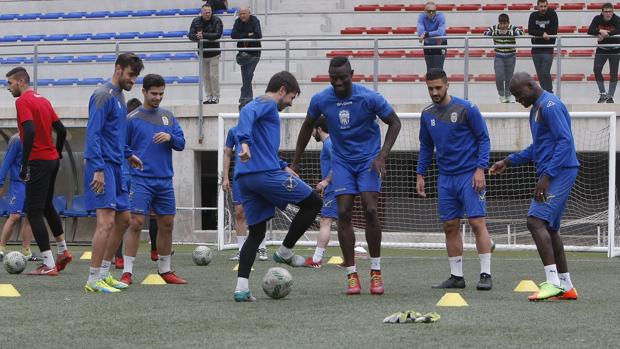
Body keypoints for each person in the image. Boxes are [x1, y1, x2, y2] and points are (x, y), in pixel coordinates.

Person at [293, 57, 402, 295]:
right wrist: (296, 162)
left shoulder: (369, 97)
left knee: (371, 209)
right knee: (342, 212)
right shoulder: (321, 99)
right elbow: (306, 126)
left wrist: (382, 155)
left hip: (368, 160)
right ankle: (351, 274)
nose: (339, 82)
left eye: (343, 77)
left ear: (352, 74)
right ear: (329, 77)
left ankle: (375, 270)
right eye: (334, 78)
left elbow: (395, 122)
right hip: (341, 162)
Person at [232, 71, 323, 302]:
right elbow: (246, 112)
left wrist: (282, 165)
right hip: (263, 175)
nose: (290, 103)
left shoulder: (264, 109)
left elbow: (264, 148)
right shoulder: (266, 103)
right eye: (291, 97)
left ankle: (241, 288)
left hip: (248, 179)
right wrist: (243, 142)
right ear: (282, 90)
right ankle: (284, 252)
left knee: (258, 232)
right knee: (314, 202)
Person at [490, 72, 579, 301]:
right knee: (549, 229)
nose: (518, 99)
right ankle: (566, 286)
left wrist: (547, 177)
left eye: (519, 94)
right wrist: (508, 161)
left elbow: (565, 141)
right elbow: (537, 148)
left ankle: (551, 283)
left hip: (560, 171)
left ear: (531, 85)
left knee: (534, 221)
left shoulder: (550, 105)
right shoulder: (536, 108)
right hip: (556, 171)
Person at [416, 68, 493, 291]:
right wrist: (421, 173)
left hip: (469, 175)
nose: (434, 92)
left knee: (477, 222)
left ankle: (485, 274)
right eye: (430, 88)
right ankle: (456, 277)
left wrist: (481, 169)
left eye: (438, 87)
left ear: (447, 85)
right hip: (445, 178)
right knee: (450, 225)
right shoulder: (427, 114)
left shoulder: (466, 108)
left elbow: (483, 139)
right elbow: (426, 146)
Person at [83, 53, 144, 293]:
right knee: (106, 222)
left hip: (118, 164)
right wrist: (98, 168)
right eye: (131, 75)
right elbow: (93, 133)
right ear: (118, 69)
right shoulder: (102, 95)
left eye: (136, 77)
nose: (133, 81)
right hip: (103, 165)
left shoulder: (120, 97)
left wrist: (128, 153)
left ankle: (105, 273)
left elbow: (115, 133)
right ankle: (92, 279)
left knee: (123, 219)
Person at [5, 67, 72, 275]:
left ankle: (49, 264)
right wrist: (58, 153)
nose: (8, 88)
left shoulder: (22, 101)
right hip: (51, 160)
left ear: (21, 81)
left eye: (10, 83)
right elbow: (61, 130)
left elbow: (30, 131)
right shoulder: (43, 100)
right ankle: (63, 251)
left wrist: (25, 165)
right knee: (46, 206)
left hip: (38, 162)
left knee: (33, 211)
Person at [120, 74, 186, 285]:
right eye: (154, 93)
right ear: (144, 92)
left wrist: (171, 137)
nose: (158, 97)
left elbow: (182, 143)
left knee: (167, 223)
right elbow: (122, 145)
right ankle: (127, 272)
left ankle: (165, 270)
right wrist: (131, 157)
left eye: (161, 93)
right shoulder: (132, 118)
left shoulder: (168, 117)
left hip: (164, 180)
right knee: (136, 223)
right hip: (140, 179)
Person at [114, 98, 159, 269]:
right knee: (150, 214)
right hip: (137, 176)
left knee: (123, 217)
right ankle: (154, 250)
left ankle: (118, 257)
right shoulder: (133, 126)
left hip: (128, 176)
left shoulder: (124, 127)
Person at [222, 125, 268, 262]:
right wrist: (225, 177)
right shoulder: (233, 131)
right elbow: (228, 154)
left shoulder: (261, 129)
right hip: (240, 177)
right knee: (239, 212)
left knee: (260, 212)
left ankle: (262, 247)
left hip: (259, 175)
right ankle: (242, 250)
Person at [303, 116, 337, 268]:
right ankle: (349, 260)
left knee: (325, 221)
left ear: (318, 129)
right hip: (341, 188)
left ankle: (316, 260)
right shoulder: (331, 143)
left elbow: (337, 163)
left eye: (312, 130)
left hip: (334, 189)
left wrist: (326, 182)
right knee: (344, 224)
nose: (311, 134)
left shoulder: (329, 144)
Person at [0, 134, 38, 262]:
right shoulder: (16, 140)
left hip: (33, 184)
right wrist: (0, 182)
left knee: (30, 216)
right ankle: (1, 249)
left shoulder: (39, 138)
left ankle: (26, 252)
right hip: (18, 184)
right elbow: (7, 162)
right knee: (14, 216)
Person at [484, 13, 523, 103]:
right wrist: (498, 32)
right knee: (499, 76)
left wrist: (508, 33)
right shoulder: (495, 27)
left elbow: (521, 32)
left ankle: (508, 95)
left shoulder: (512, 27)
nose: (503, 26)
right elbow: (486, 33)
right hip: (499, 56)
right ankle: (501, 95)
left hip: (511, 56)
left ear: (508, 23)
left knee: (509, 78)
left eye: (505, 24)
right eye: (501, 24)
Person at [189, 3, 223, 105]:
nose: (208, 14)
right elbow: (190, 35)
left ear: (211, 12)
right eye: (205, 12)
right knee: (206, 76)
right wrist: (197, 36)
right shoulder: (196, 21)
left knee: (214, 76)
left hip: (214, 53)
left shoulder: (217, 20)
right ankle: (209, 96)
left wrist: (203, 35)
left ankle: (216, 97)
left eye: (209, 12)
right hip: (202, 53)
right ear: (201, 13)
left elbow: (218, 34)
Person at [588, 3, 620, 103]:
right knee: (596, 69)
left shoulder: (616, 19)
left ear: (613, 12)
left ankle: (610, 96)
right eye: (606, 11)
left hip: (615, 49)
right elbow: (590, 30)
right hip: (602, 49)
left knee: (614, 73)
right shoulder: (597, 18)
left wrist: (607, 34)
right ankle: (603, 94)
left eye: (610, 11)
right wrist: (600, 31)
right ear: (602, 12)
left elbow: (619, 30)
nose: (608, 14)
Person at [231, 6, 262, 105]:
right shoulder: (237, 22)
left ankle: (245, 97)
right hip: (242, 53)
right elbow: (233, 35)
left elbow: (258, 34)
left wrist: (242, 34)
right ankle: (247, 98)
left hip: (254, 52)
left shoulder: (255, 20)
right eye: (240, 14)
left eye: (244, 13)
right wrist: (248, 34)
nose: (242, 16)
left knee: (248, 74)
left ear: (249, 13)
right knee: (246, 75)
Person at [528, 0, 558, 93]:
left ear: (547, 6)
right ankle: (544, 93)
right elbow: (530, 30)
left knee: (545, 72)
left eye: (545, 6)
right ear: (537, 6)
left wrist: (539, 35)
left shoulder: (552, 14)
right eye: (541, 6)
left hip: (548, 49)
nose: (543, 8)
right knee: (540, 74)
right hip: (536, 49)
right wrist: (543, 33)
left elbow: (553, 31)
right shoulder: (533, 15)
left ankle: (550, 93)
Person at [417, 1, 447, 72]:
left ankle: (439, 83)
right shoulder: (421, 16)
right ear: (425, 11)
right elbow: (420, 32)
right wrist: (433, 34)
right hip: (428, 45)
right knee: (429, 70)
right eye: (429, 11)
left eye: (433, 11)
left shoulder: (441, 16)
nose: (431, 13)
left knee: (439, 69)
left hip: (440, 44)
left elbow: (440, 32)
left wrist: (426, 34)